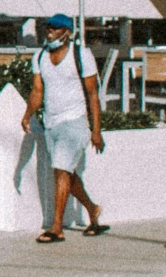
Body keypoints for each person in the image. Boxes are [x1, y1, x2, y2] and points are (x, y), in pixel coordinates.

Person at [23, 13, 106, 243]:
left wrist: (96, 131)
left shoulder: (81, 55)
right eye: (48, 27)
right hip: (52, 123)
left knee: (60, 170)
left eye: (56, 28)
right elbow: (37, 90)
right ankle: (93, 209)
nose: (50, 31)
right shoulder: (39, 56)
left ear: (67, 33)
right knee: (67, 174)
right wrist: (28, 114)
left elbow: (93, 94)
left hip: (75, 121)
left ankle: (56, 228)